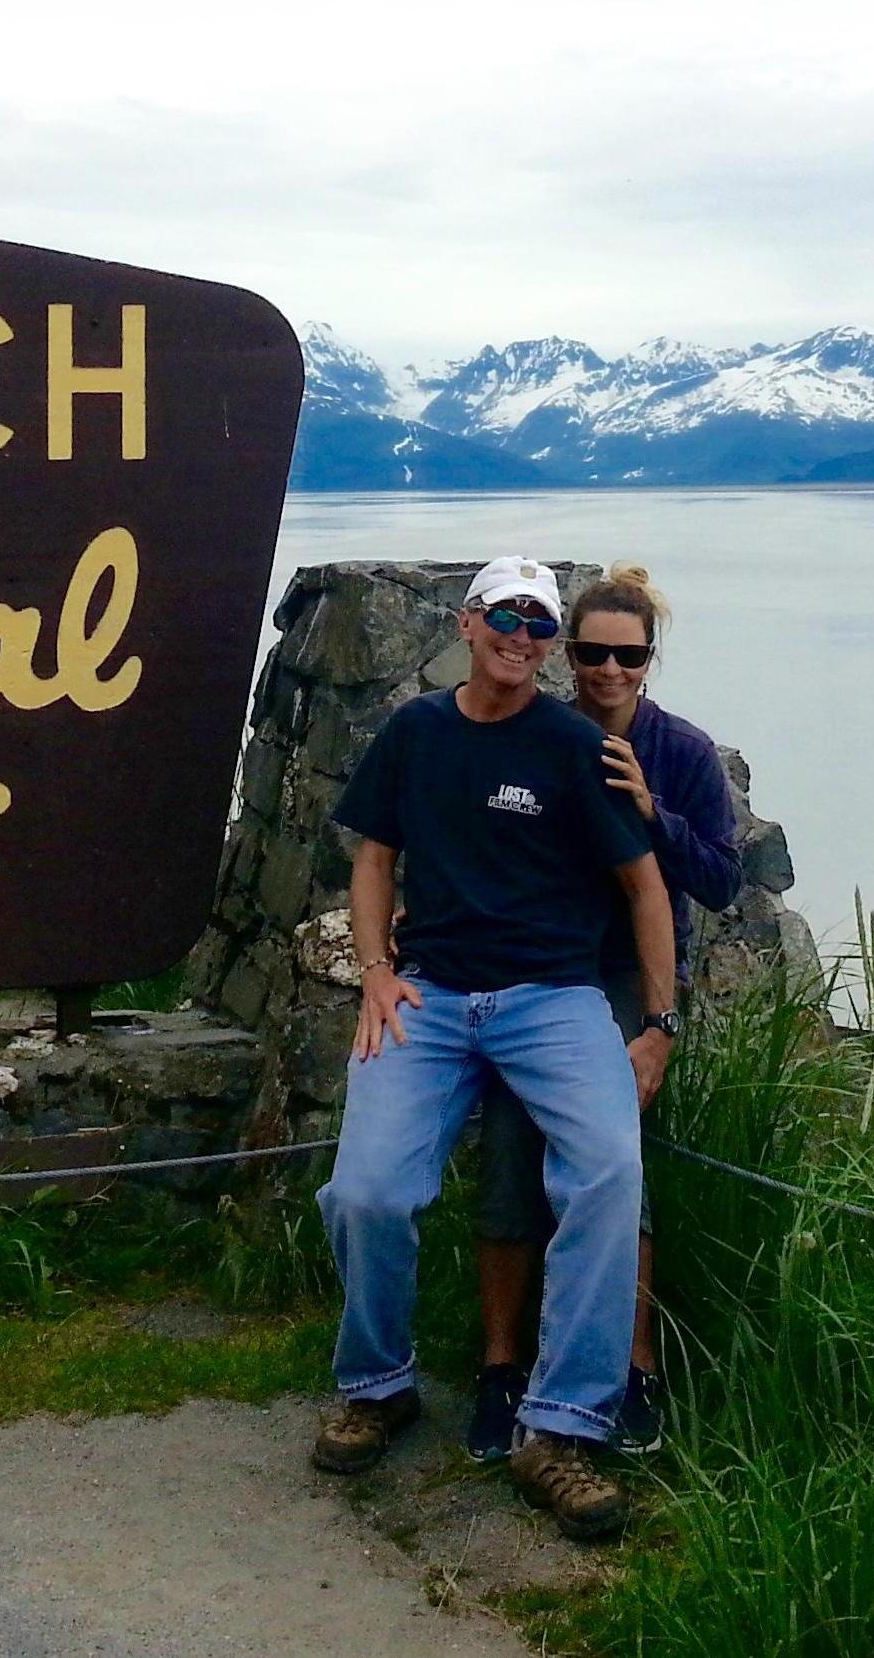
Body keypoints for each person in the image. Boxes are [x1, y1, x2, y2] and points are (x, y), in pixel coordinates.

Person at [311, 556, 679, 1544]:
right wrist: (377, 967)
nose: (522, 636)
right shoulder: (416, 732)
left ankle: (559, 1425)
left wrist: (656, 1023)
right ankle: (377, 1383)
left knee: (606, 1170)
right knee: (366, 1192)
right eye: (506, 616)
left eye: (540, 625)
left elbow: (644, 885)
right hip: (427, 997)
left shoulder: (571, 746)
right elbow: (374, 855)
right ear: (467, 622)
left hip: (551, 1000)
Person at [465, 565, 742, 1465]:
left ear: (648, 660)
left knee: (614, 1162)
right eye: (590, 653)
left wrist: (648, 808)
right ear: (567, 655)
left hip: (626, 975)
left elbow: (720, 880)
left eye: (626, 655)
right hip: (538, 967)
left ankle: (634, 1369)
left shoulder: (681, 752)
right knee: (508, 1144)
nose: (608, 671)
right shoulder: (538, 737)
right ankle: (501, 1367)